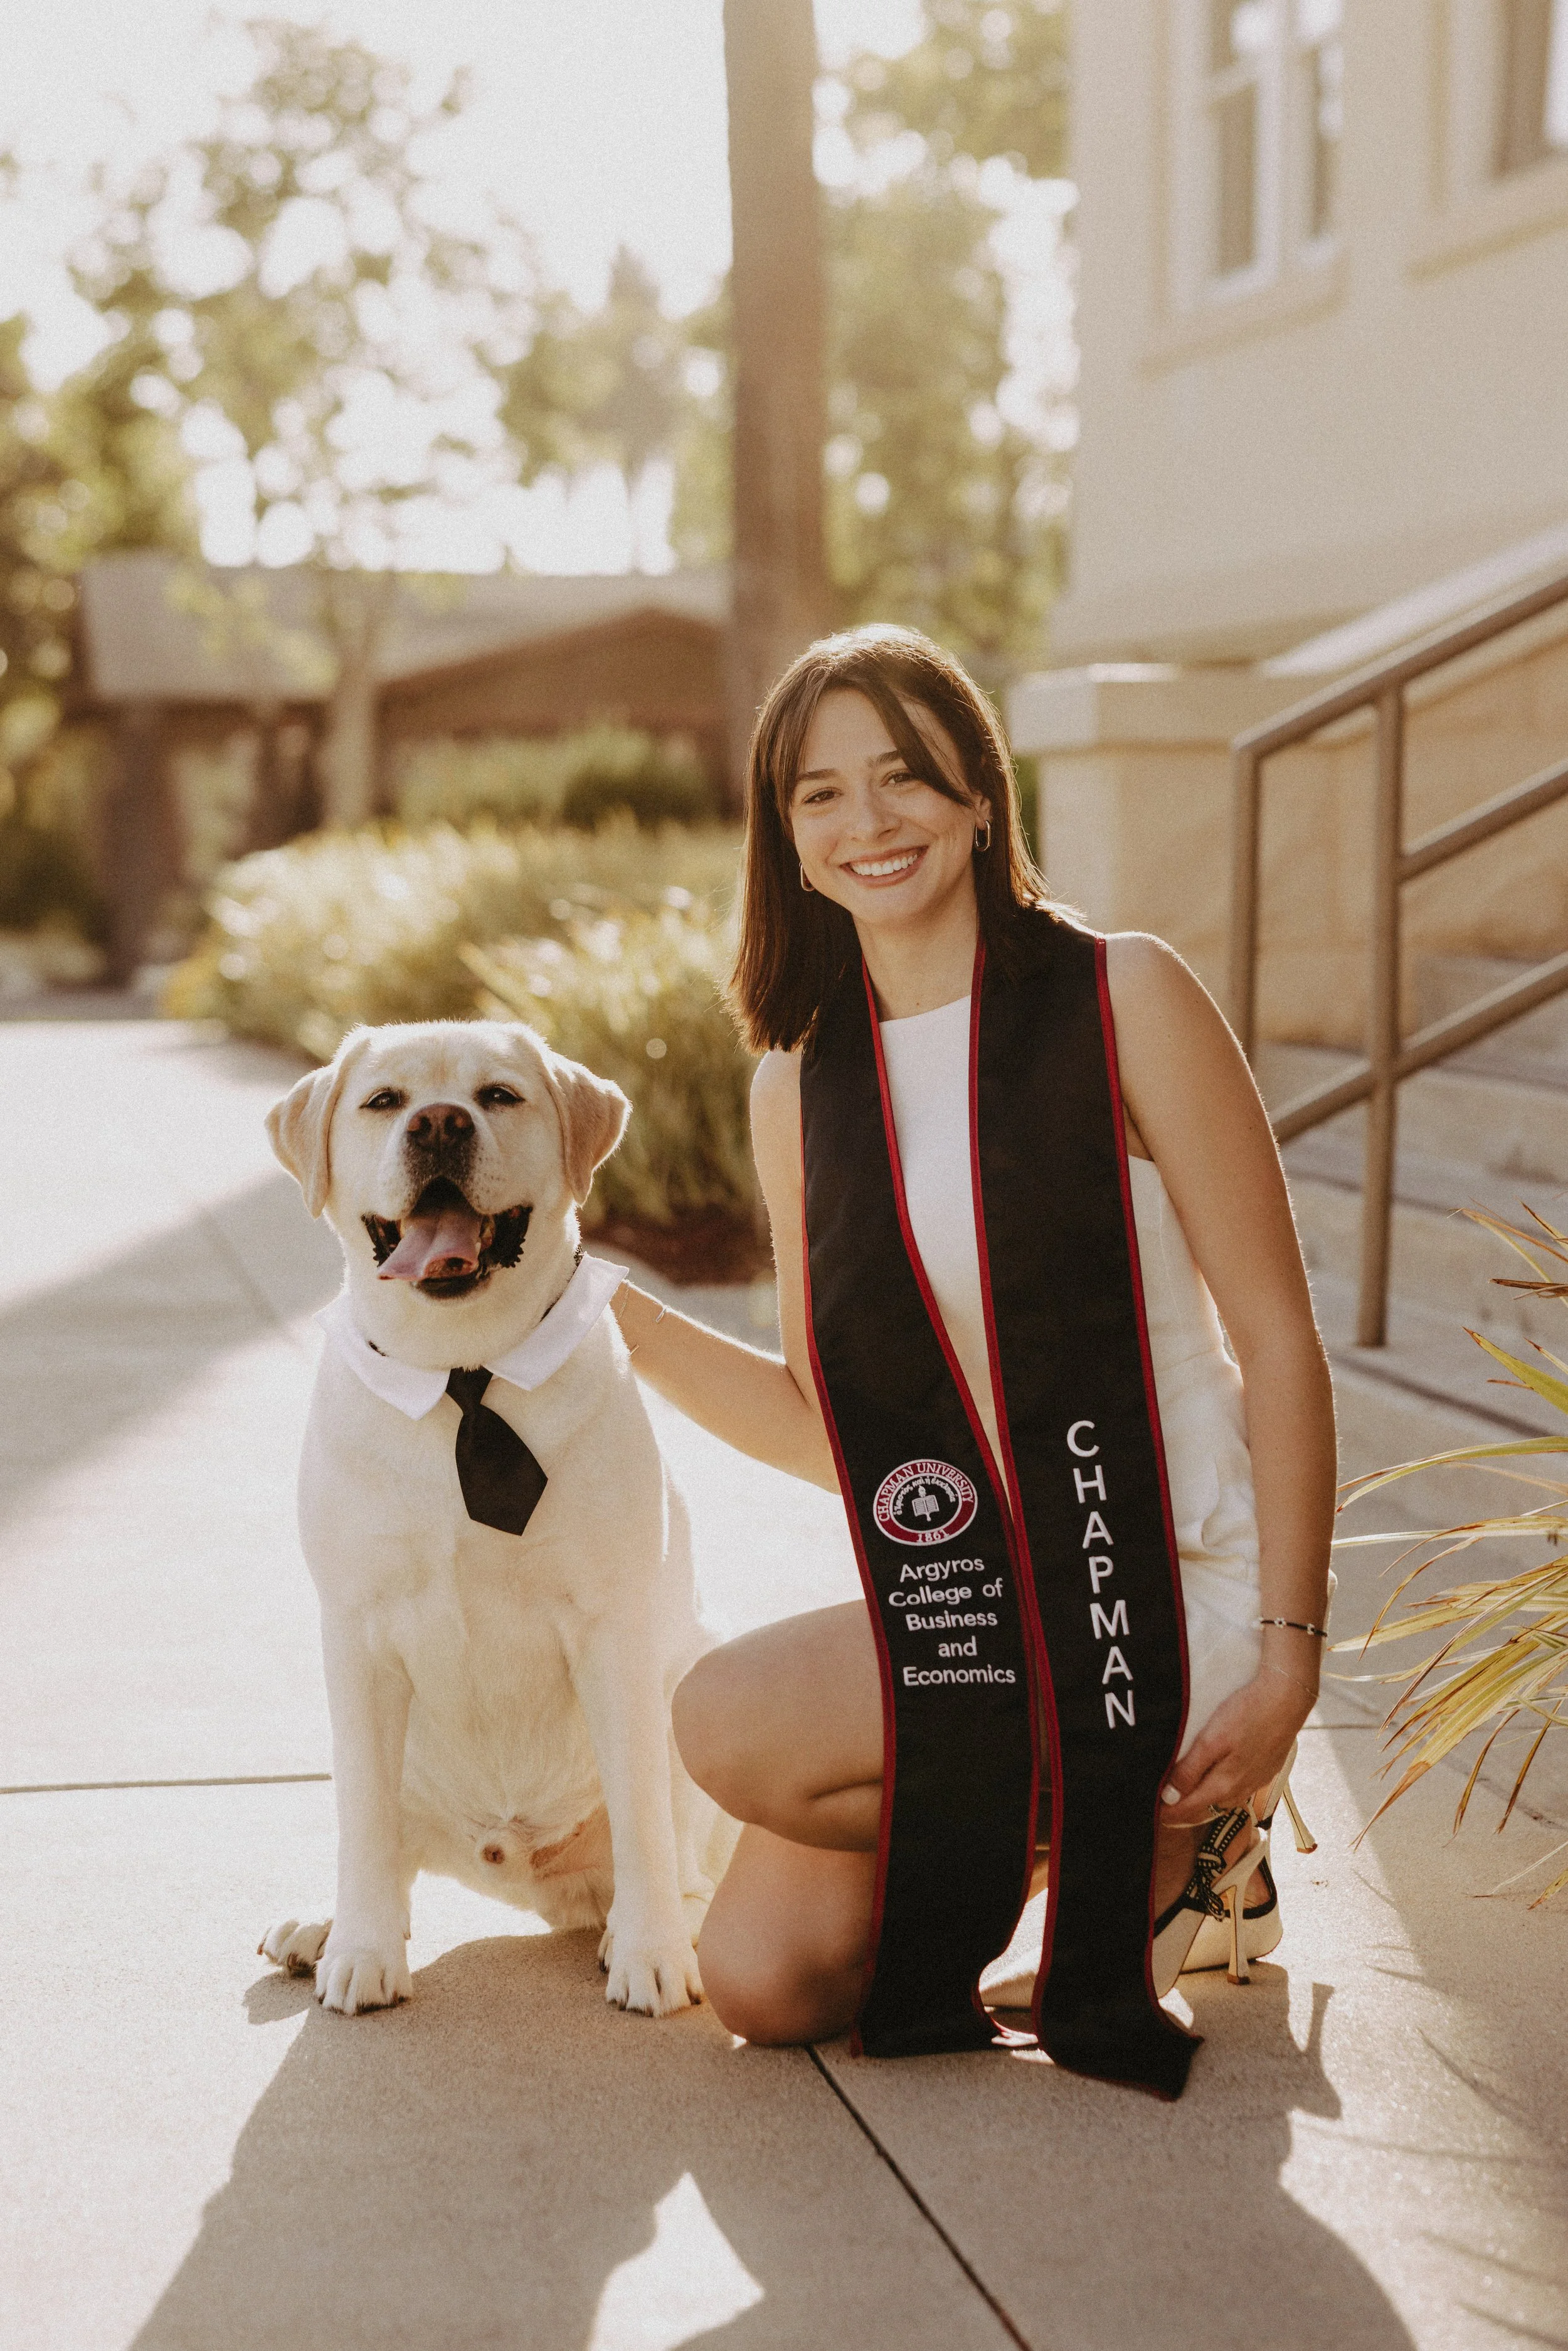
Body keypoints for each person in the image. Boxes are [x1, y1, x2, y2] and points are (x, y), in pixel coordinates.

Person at [612, 624, 1335, 2049]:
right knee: (762, 1981)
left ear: (978, 794)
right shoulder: (802, 1087)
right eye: (819, 793)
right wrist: (617, 1319)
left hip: (1161, 1570)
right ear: (785, 833)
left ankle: (1194, 1812)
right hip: (985, 1602)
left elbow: (1276, 1335)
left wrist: (1289, 1652)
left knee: (729, 1718)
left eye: (902, 777)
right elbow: (839, 1431)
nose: (866, 821)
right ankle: (1150, 1842)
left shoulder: (1119, 995)